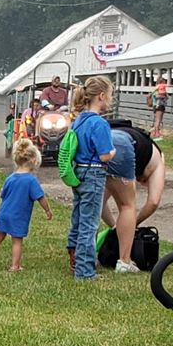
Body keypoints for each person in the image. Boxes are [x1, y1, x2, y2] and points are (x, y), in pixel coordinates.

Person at [65, 76, 121, 278]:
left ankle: (73, 256)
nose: (110, 100)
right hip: (94, 173)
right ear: (102, 96)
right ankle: (85, 270)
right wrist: (114, 152)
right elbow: (105, 154)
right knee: (90, 223)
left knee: (78, 218)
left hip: (78, 171)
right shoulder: (99, 124)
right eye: (110, 96)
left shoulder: (79, 120)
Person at [0, 138, 52, 270]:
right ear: (33, 161)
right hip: (18, 216)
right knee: (17, 240)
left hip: (4, 213)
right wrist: (47, 210)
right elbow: (41, 197)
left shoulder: (10, 178)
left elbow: (2, 194)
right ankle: (15, 266)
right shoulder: (31, 180)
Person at [103, 118, 164, 230]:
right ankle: (123, 241)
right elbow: (153, 202)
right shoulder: (158, 160)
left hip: (105, 140)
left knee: (96, 200)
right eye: (144, 181)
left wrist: (114, 227)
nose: (142, 182)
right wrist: (133, 223)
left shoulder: (143, 152)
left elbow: (100, 204)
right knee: (127, 206)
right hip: (123, 144)